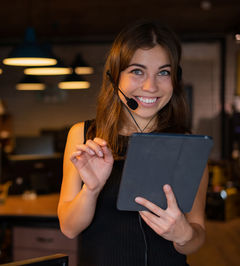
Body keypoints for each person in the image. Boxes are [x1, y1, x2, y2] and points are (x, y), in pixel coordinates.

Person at [57, 20, 208, 266]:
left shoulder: (189, 145)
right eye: (137, 71)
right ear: (114, 76)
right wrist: (91, 189)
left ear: (175, 78)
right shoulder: (82, 135)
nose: (150, 86)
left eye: (163, 72)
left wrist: (184, 234)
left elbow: (197, 236)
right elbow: (69, 228)